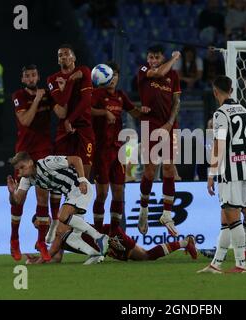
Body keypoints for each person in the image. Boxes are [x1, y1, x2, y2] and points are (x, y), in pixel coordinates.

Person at [6, 152, 110, 262]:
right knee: (62, 233)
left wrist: (82, 180)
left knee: (62, 215)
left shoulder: (47, 163)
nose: (21, 172)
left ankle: (100, 237)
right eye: (19, 170)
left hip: (79, 189)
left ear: (31, 162)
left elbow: (76, 159)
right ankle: (94, 254)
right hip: (70, 195)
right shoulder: (26, 180)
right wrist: (12, 193)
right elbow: (17, 201)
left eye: (22, 167)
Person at [9, 64, 66, 261]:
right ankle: (14, 240)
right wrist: (38, 99)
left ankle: (41, 242)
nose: (31, 79)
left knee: (42, 197)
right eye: (27, 76)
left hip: (43, 151)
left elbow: (61, 113)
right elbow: (25, 121)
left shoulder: (47, 94)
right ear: (23, 79)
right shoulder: (19, 96)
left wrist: (61, 92)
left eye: (34, 75)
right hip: (24, 154)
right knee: (19, 199)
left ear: (38, 76)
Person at [198, 75, 246, 274]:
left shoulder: (220, 114)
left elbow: (219, 144)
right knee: (226, 218)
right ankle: (216, 264)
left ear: (215, 91)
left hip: (229, 171)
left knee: (232, 216)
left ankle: (241, 264)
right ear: (231, 89)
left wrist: (211, 173)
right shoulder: (245, 110)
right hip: (245, 168)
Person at [91, 62, 148, 235]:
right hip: (101, 150)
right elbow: (87, 110)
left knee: (118, 192)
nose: (112, 79)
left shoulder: (121, 95)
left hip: (117, 150)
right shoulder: (97, 94)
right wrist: (104, 113)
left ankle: (115, 234)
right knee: (102, 194)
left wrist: (147, 111)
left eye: (115, 75)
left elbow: (135, 113)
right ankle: (98, 234)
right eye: (110, 75)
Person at [136, 45, 181, 237]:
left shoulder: (174, 77)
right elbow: (160, 72)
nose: (153, 60)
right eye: (151, 57)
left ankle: (167, 215)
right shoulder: (144, 70)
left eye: (156, 57)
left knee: (170, 168)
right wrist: (174, 58)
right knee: (150, 170)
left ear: (161, 58)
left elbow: (177, 101)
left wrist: (170, 123)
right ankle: (144, 209)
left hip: (169, 125)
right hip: (150, 125)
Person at [26, 223, 198, 264]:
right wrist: (39, 258)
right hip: (107, 240)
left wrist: (38, 261)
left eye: (41, 224)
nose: (41, 227)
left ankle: (184, 242)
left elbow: (52, 251)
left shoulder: (60, 227)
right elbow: (56, 258)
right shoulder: (57, 236)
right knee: (145, 255)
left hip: (109, 235)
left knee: (145, 256)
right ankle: (184, 242)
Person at [46, 44, 95, 179]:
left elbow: (86, 101)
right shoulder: (52, 79)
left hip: (84, 126)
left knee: (84, 175)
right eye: (60, 55)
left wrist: (70, 120)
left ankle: (82, 198)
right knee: (61, 174)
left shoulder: (84, 71)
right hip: (64, 130)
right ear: (58, 60)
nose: (63, 57)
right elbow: (62, 101)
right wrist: (70, 82)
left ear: (73, 57)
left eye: (66, 53)